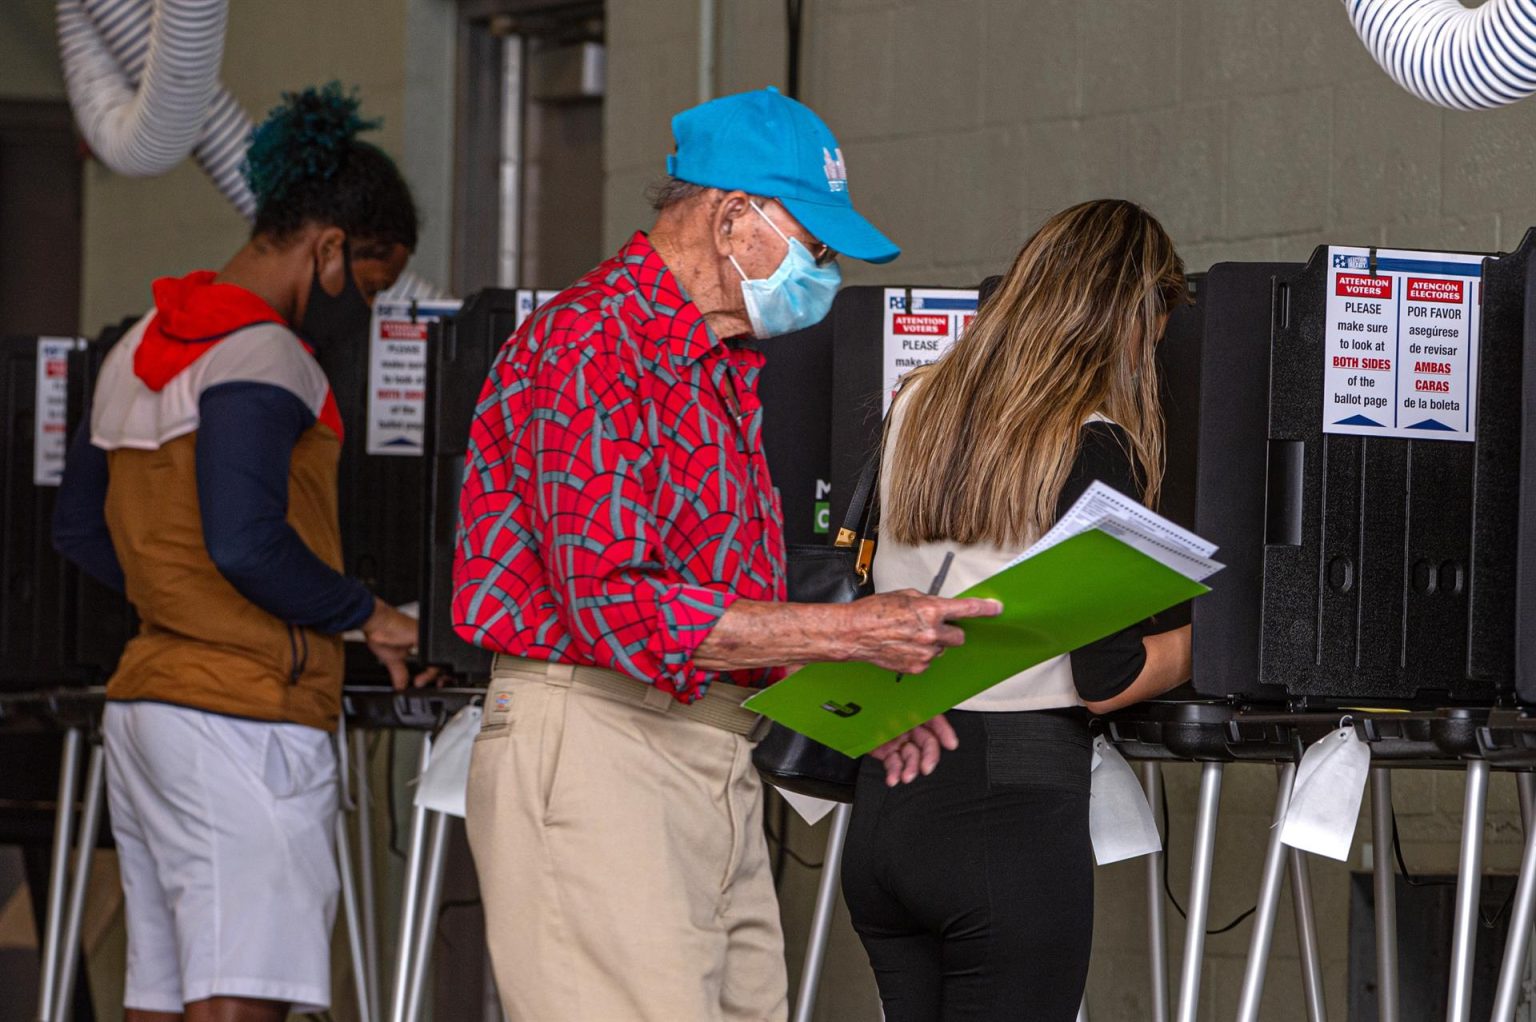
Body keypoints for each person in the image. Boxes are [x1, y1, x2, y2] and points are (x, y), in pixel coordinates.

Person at [453, 85, 1002, 1022]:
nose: (823, 270)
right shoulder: (591, 345)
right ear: (730, 217)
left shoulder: (718, 365)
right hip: (598, 745)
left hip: (705, 753)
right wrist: (846, 631)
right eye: (814, 242)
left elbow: (722, 601)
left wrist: (849, 699)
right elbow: (616, 605)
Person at [52, 84, 430, 1022]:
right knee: (240, 1000)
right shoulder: (264, 357)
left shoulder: (136, 346)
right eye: (372, 287)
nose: (365, 314)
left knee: (164, 994)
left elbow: (83, 533)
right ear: (329, 249)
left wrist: (187, 604)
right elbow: (247, 539)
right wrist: (371, 616)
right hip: (242, 718)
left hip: (148, 709)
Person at [840, 199, 1195, 1021]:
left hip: (889, 798)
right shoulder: (1093, 440)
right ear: (1132, 315)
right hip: (1004, 813)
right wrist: (1218, 641)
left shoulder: (915, 407)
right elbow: (1108, 677)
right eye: (1156, 326)